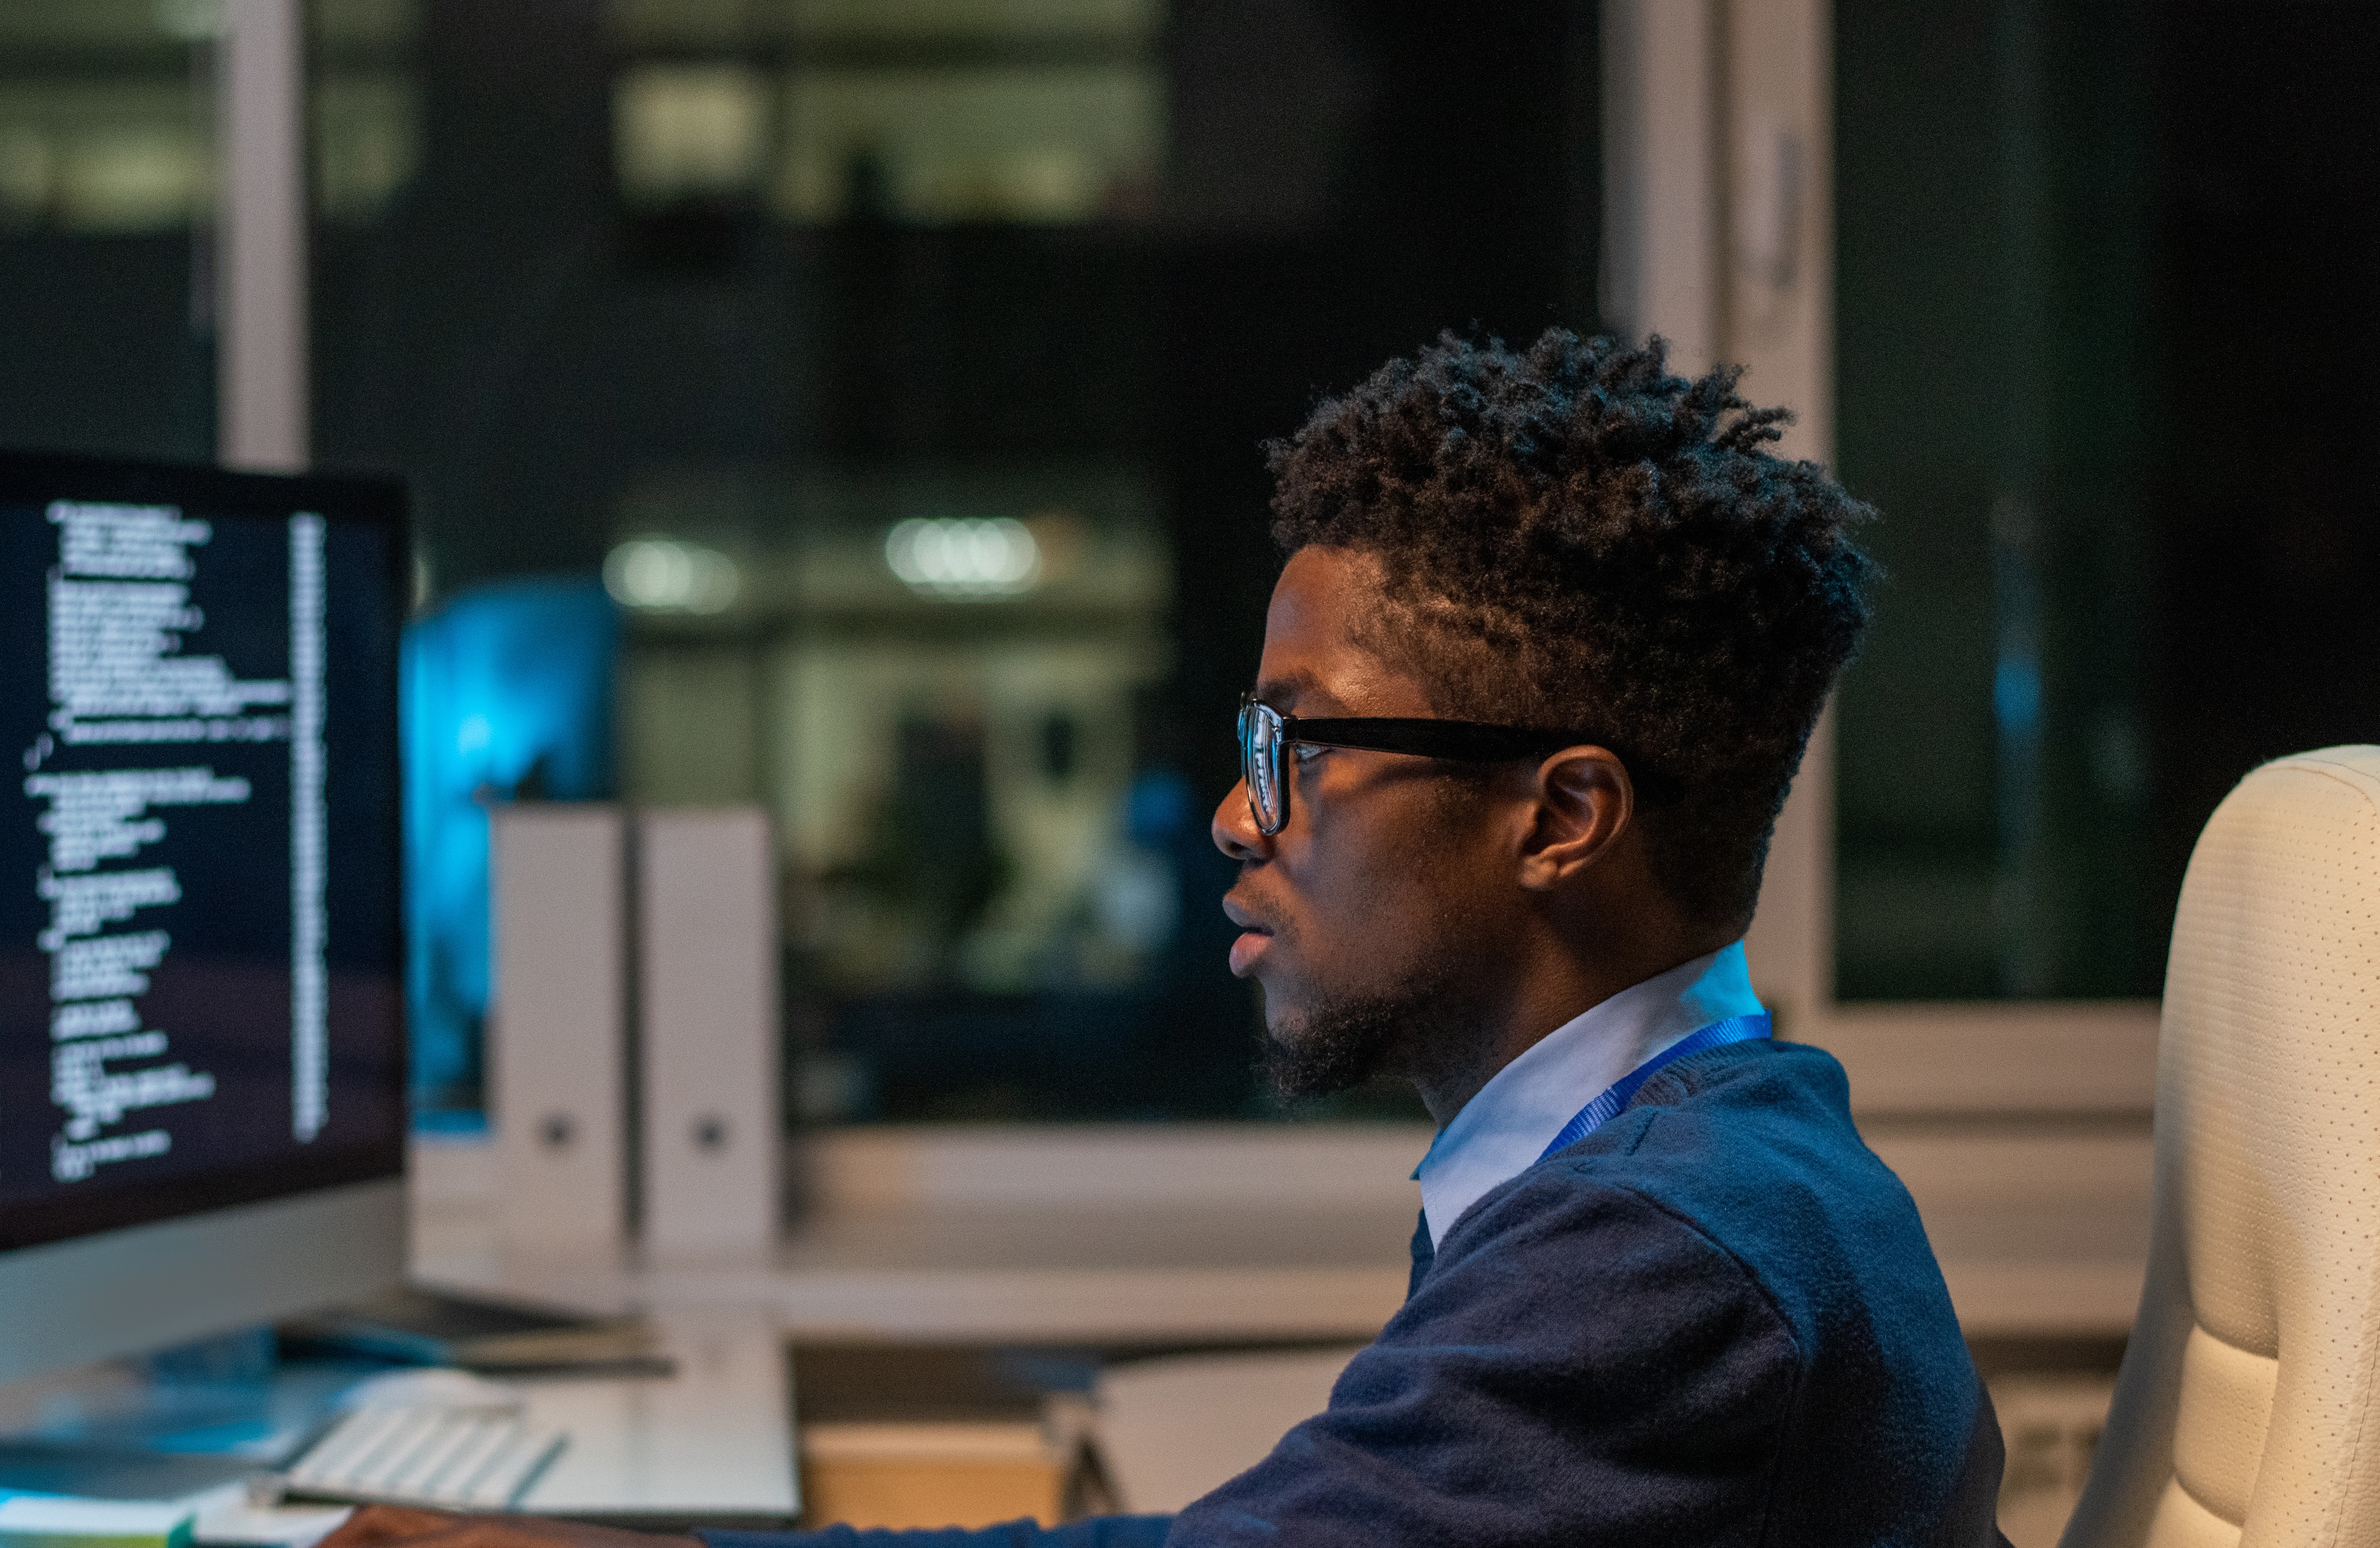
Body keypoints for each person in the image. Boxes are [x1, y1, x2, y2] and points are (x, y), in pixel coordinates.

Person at [324, 331, 2008, 1548]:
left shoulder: (1670, 1262)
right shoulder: (1687, 1158)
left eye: (1300, 746)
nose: (1231, 814)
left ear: (1559, 819)